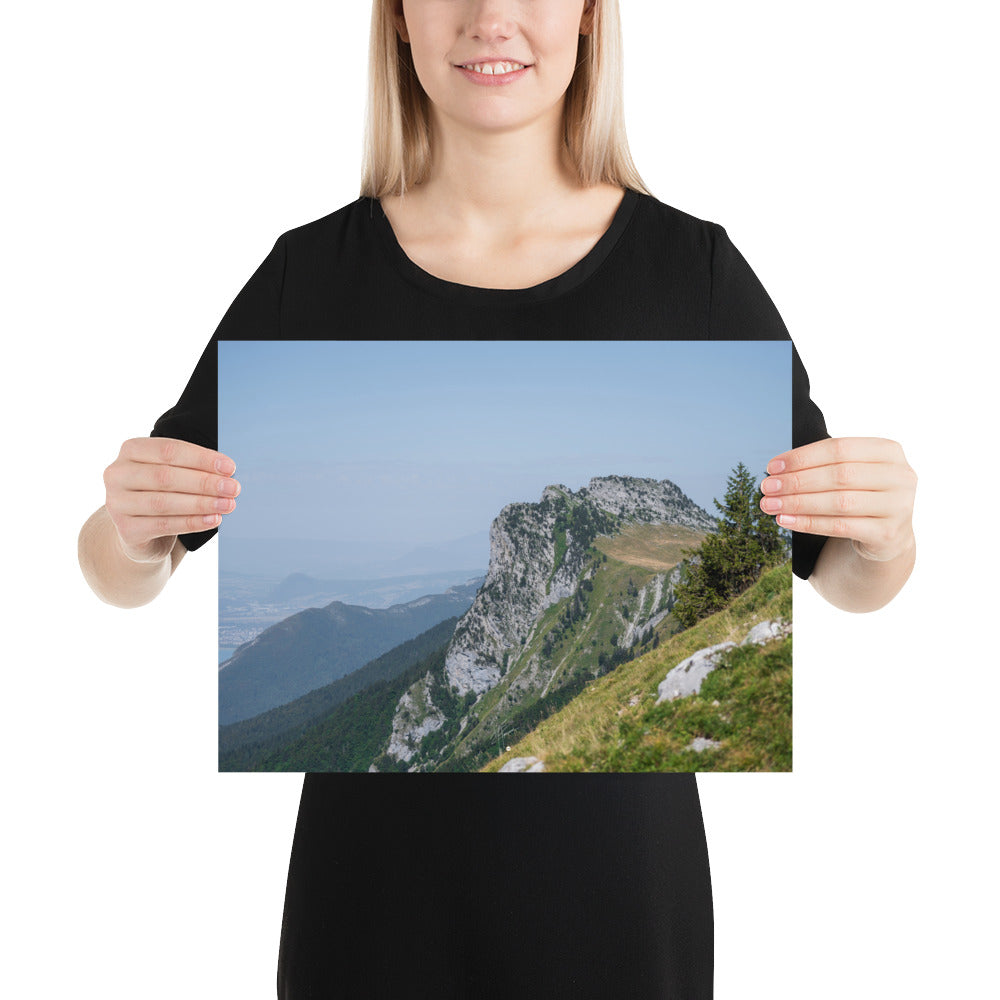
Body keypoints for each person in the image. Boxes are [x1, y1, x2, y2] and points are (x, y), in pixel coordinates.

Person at [78, 1, 917, 996]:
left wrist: (885, 531)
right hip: (369, 912)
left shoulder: (694, 272)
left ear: (591, 17)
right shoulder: (310, 275)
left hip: (620, 910)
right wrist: (130, 533)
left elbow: (842, 576)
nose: (491, 18)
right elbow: (121, 567)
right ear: (396, 18)